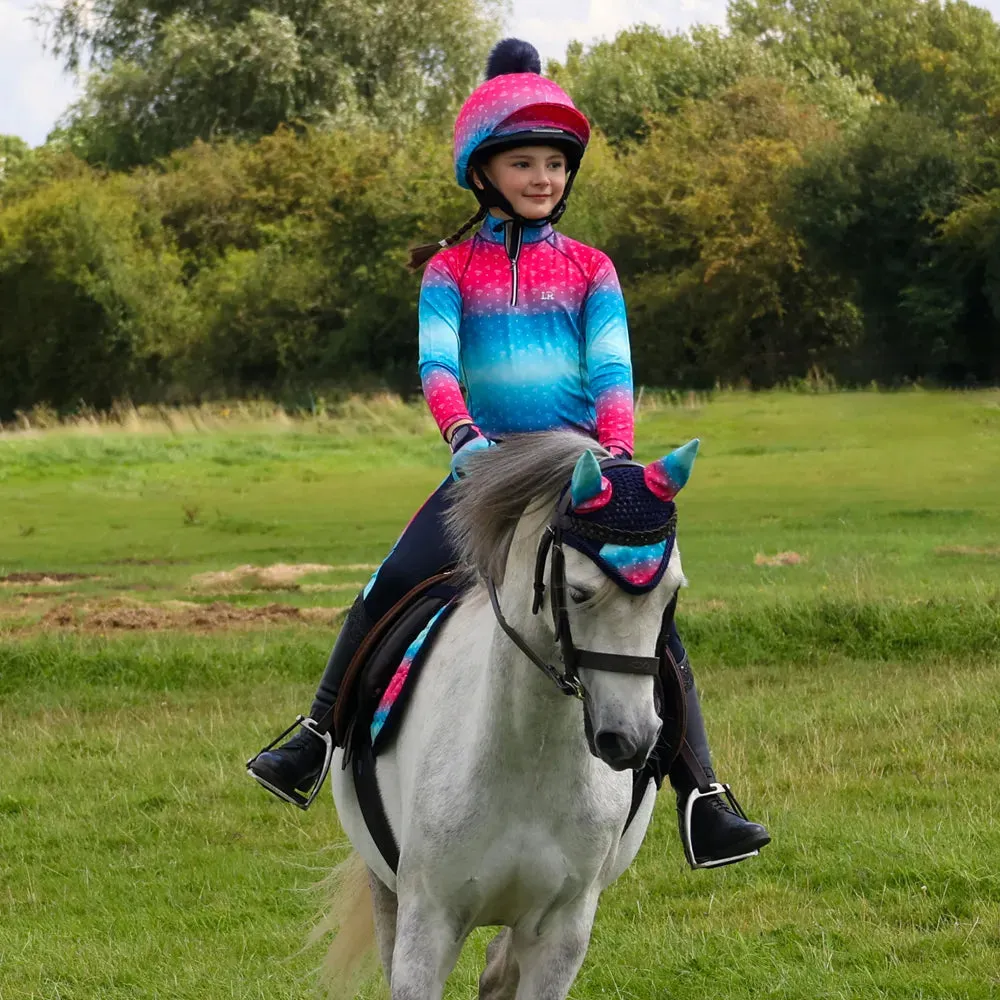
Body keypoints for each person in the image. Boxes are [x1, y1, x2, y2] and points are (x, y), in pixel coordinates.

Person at [248, 38, 770, 868]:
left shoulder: (592, 270)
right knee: (391, 581)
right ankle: (312, 736)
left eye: (556, 164)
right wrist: (463, 440)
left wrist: (618, 460)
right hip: (485, 474)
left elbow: (611, 371)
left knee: (647, 605)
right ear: (484, 173)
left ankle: (703, 792)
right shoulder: (450, 271)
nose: (544, 178)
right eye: (524, 162)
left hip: (582, 474)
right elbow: (437, 366)